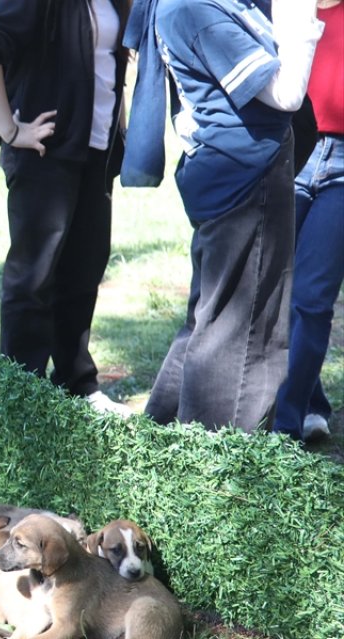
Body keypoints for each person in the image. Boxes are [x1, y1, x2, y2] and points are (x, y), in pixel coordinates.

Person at [123, 0, 322, 431]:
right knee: (242, 333)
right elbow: (286, 93)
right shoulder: (193, 9)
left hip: (234, 171)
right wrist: (301, 11)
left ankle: (159, 439)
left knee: (210, 319)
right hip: (245, 176)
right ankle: (212, 473)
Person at [0, 0, 135, 416]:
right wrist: (10, 129)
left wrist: (121, 130)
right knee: (33, 278)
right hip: (46, 154)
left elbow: (107, 67)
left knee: (84, 270)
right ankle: (22, 392)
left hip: (96, 152)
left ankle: (77, 384)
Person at [273, 0, 341, 442]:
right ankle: (310, 400)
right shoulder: (282, 6)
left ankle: (284, 426)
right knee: (274, 290)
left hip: (342, 161)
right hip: (288, 152)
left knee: (312, 296)